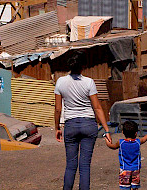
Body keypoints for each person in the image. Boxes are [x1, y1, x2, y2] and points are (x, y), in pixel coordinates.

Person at [54, 52, 111, 190]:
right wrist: (107, 130)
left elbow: (57, 109)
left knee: (71, 165)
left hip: (71, 125)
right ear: (83, 66)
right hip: (89, 125)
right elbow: (97, 108)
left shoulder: (60, 82)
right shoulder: (89, 82)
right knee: (85, 166)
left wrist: (57, 128)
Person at [104, 120, 147, 190]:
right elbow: (146, 137)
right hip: (136, 169)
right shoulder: (138, 142)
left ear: (123, 132)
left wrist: (107, 141)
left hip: (125, 169)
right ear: (136, 133)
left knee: (125, 187)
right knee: (134, 187)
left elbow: (112, 146)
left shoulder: (121, 143)